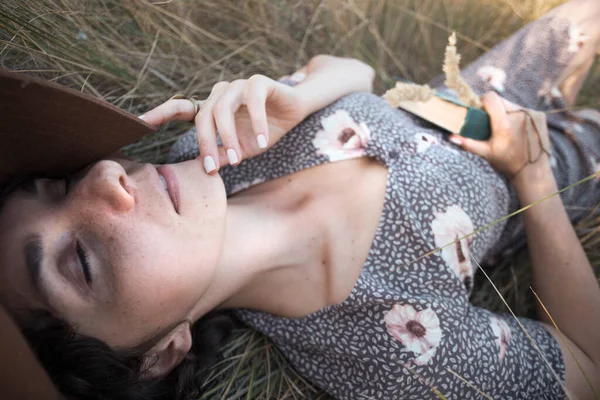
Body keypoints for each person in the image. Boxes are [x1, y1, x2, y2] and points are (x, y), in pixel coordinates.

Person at [0, 0, 599, 399]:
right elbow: (589, 369)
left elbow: (359, 75)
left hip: (458, 98)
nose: (106, 174)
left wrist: (305, 93)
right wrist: (536, 179)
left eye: (61, 184)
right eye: (79, 260)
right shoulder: (394, 351)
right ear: (159, 355)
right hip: (553, 167)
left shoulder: (206, 148)